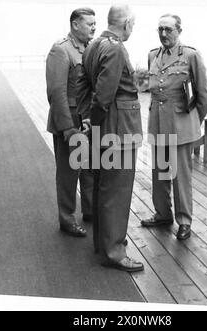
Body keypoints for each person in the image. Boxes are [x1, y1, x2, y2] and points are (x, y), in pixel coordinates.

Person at [76, 4, 144, 272]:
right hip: (119, 128)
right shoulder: (115, 48)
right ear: (126, 23)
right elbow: (104, 95)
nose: (132, 29)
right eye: (133, 24)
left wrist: (88, 121)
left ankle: (103, 244)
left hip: (104, 128)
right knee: (117, 190)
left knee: (104, 187)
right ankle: (114, 252)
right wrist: (96, 121)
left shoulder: (94, 45)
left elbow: (82, 86)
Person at [141, 14, 207, 240]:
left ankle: (184, 221)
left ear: (179, 30)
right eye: (160, 29)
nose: (163, 34)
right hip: (158, 123)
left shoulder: (190, 55)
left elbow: (204, 94)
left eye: (168, 30)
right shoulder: (153, 54)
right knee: (160, 173)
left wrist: (193, 123)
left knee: (180, 176)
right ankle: (163, 214)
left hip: (180, 125)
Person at [46, 8, 96, 237]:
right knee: (68, 173)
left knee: (89, 169)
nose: (94, 27)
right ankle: (66, 220)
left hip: (86, 120)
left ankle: (90, 211)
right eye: (89, 24)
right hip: (69, 121)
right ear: (75, 25)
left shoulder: (89, 49)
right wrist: (67, 127)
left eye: (95, 24)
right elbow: (56, 93)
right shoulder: (61, 49)